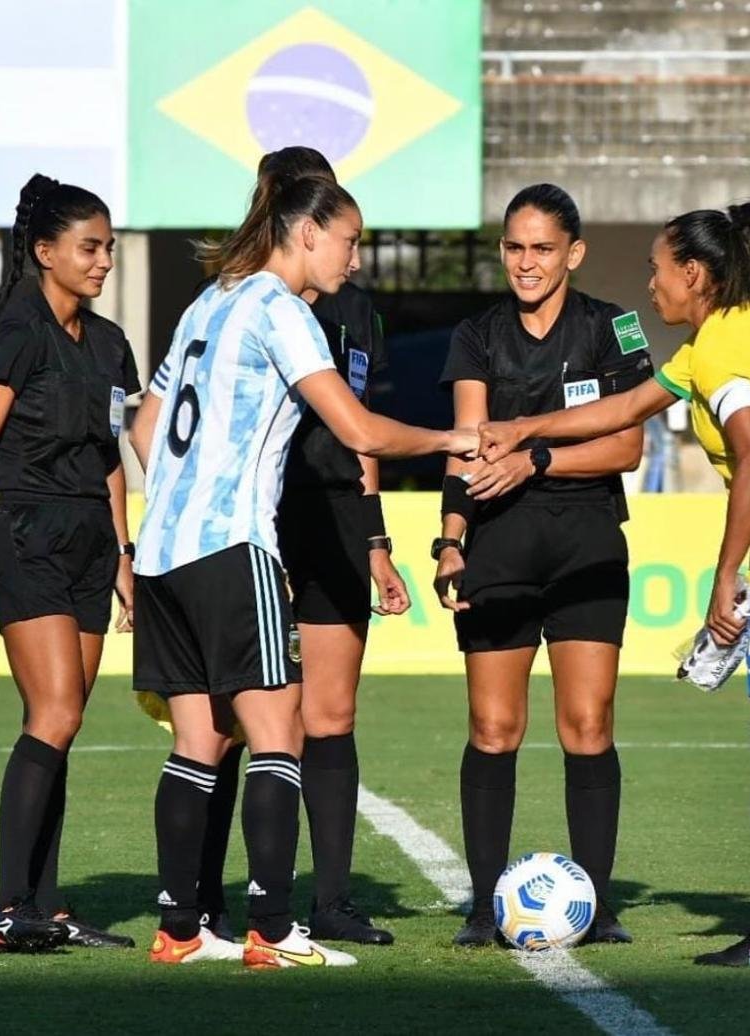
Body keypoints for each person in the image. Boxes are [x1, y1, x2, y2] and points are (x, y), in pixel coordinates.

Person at [478, 201, 750, 965]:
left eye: (657, 268)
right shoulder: (739, 329)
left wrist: (727, 578)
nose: (650, 283)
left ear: (695, 273)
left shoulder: (721, 349)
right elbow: (627, 406)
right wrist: (525, 428)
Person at [129, 174, 475, 968]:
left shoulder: (209, 300)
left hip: (161, 551)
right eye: (350, 240)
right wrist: (450, 442)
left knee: (196, 742)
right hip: (229, 545)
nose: (356, 259)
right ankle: (274, 929)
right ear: (307, 231)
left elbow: (146, 423)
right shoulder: (281, 309)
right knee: (280, 735)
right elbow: (356, 428)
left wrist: (188, 493)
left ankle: (180, 931)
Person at [435, 183, 651, 947]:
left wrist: (534, 458)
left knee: (587, 725)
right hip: (499, 545)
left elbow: (628, 446)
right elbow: (467, 446)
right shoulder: (476, 335)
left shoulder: (612, 327)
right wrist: (451, 537)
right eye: (515, 247)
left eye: (543, 248)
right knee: (494, 727)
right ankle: (481, 909)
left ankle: (596, 909)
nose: (527, 262)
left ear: (574, 253)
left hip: (589, 542)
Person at [0, 174, 139, 952]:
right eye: (89, 248)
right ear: (45, 251)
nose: (103, 262)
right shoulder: (20, 331)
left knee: (64, 724)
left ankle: (48, 906)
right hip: (26, 536)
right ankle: (8, 907)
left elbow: (111, 457)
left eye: (108, 248)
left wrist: (126, 553)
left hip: (94, 542)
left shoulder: (108, 342)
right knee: (54, 714)